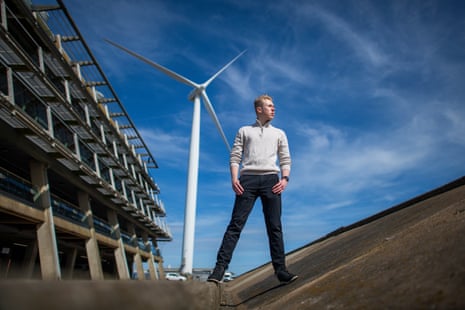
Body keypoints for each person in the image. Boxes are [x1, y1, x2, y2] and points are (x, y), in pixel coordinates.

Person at [207, 94, 298, 284]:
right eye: (269, 106)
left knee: (275, 227)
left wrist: (285, 178)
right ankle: (219, 270)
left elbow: (285, 159)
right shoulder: (244, 131)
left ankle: (281, 271)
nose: (273, 109)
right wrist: (234, 179)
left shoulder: (279, 133)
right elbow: (235, 156)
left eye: (274, 106)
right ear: (259, 109)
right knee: (235, 225)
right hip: (247, 180)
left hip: (271, 181)